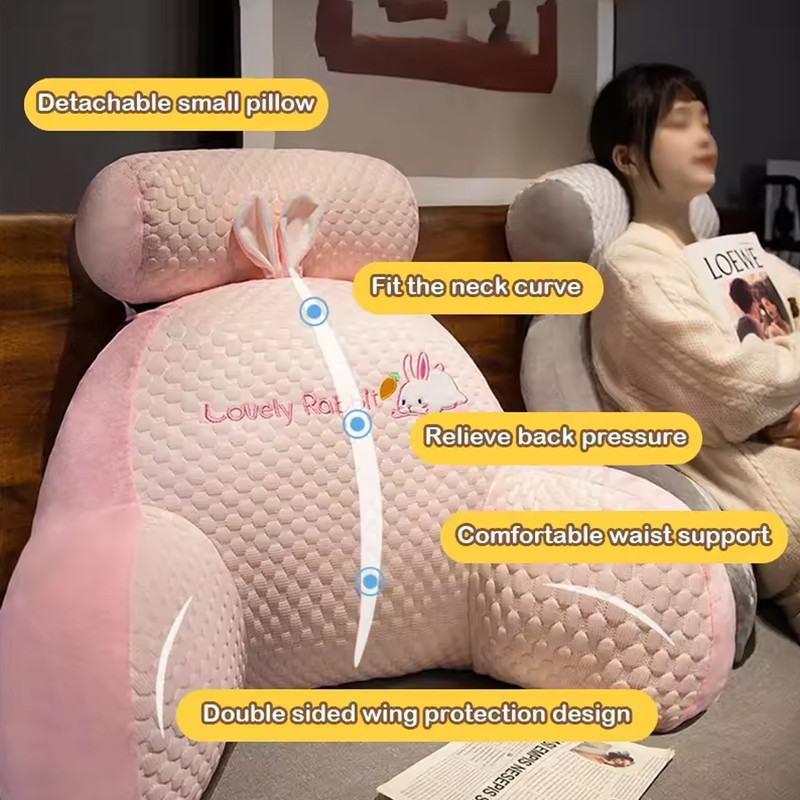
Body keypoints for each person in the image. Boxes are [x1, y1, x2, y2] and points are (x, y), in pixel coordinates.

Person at [588, 64, 800, 639]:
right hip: (775, 506)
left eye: (705, 122)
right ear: (627, 159)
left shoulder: (726, 253)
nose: (704, 136)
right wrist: (780, 388)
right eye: (679, 123)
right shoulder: (634, 268)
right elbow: (744, 391)